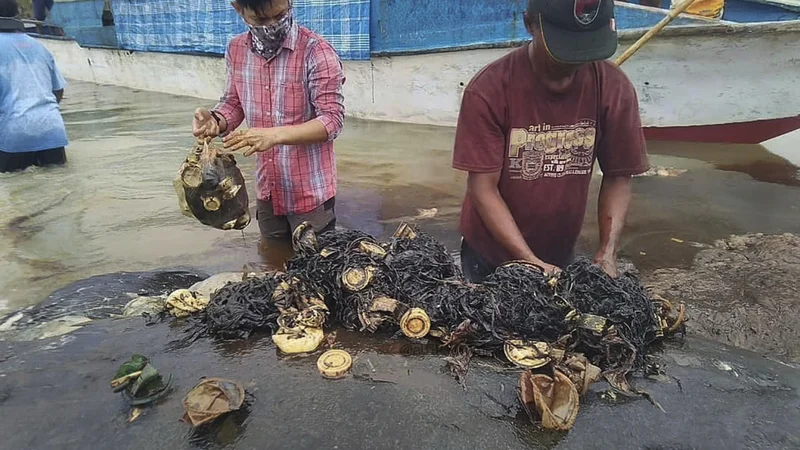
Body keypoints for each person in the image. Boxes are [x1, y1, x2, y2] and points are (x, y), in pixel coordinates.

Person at [453, 0, 649, 282]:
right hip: (489, 255)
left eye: (586, 45)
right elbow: (483, 189)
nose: (576, 58)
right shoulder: (488, 90)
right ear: (530, 24)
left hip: (560, 251)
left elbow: (619, 175)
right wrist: (529, 261)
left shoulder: (614, 88)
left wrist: (607, 253)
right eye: (566, 45)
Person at [192, 0, 345, 241]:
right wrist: (216, 120)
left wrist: (274, 135)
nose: (273, 26)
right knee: (272, 264)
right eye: (262, 20)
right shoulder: (236, 49)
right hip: (268, 191)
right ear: (238, 9)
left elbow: (332, 120)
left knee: (318, 269)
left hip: (310, 193)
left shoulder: (317, 51)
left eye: (281, 15)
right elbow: (233, 102)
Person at [0, 0, 69, 173]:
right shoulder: (39, 46)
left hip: (14, 136)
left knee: (17, 192)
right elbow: (58, 90)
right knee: (59, 189)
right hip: (52, 131)